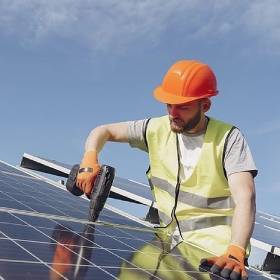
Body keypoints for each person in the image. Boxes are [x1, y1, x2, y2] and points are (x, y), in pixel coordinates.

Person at [76, 60, 257, 280]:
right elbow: (103, 130)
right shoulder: (156, 129)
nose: (173, 113)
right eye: (169, 104)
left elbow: (245, 196)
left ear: (205, 105)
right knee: (129, 275)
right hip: (167, 241)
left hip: (215, 255)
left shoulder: (229, 138)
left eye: (183, 106)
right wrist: (90, 158)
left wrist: (236, 251)